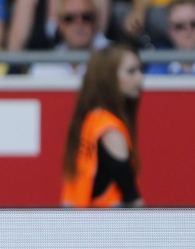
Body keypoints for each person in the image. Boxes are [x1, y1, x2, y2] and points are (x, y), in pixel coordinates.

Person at [61, 43, 145, 208]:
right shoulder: (110, 130)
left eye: (140, 70)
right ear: (109, 77)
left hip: (76, 219)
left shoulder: (90, 120)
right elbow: (132, 197)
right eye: (131, 71)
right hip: (108, 225)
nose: (140, 78)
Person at [29, 0, 109, 76]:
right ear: (59, 24)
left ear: (96, 19)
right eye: (69, 18)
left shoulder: (115, 61)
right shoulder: (44, 66)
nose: (79, 23)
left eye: (86, 17)